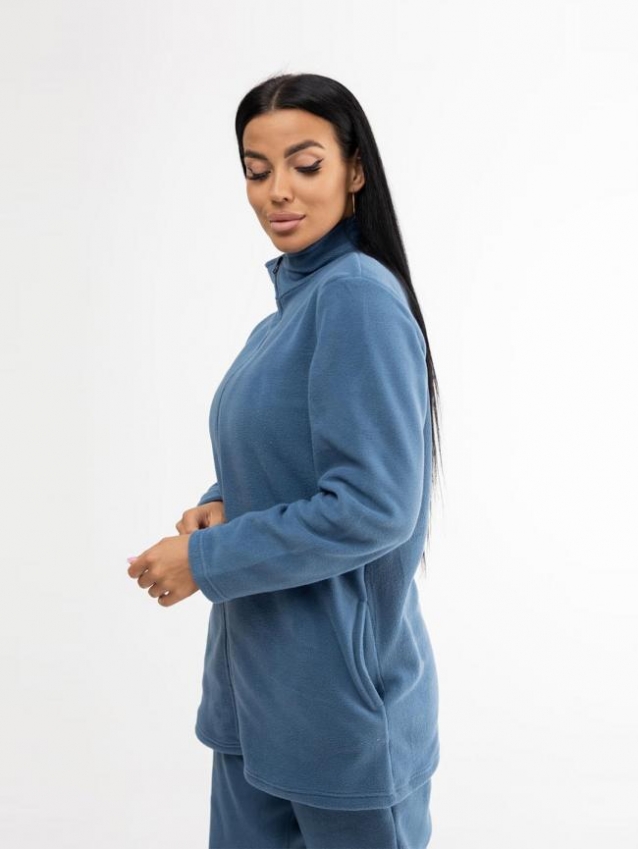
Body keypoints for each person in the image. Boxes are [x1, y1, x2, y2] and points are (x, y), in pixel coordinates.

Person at [127, 72, 443, 849]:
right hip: (253, 702)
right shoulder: (289, 312)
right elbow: (289, 458)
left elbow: (374, 507)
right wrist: (222, 501)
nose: (278, 192)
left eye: (305, 164)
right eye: (256, 169)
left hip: (340, 714)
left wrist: (205, 559)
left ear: (355, 170)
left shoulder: (356, 297)